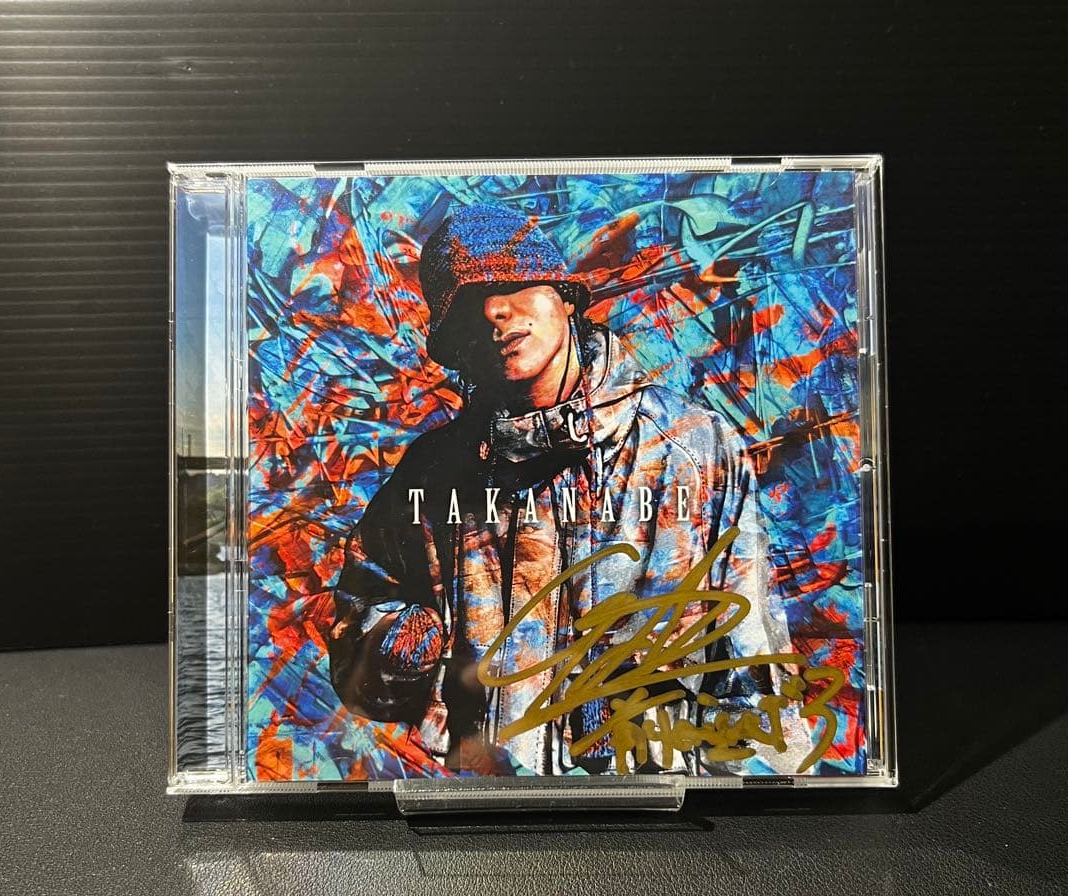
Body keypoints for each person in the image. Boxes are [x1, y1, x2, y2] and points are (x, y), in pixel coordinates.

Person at [328, 203, 810, 777]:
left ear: (566, 296)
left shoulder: (692, 447)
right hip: (484, 802)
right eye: (466, 304)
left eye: (511, 284)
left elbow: (755, 668)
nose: (493, 311)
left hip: (655, 804)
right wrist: (400, 645)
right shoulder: (432, 473)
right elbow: (359, 634)